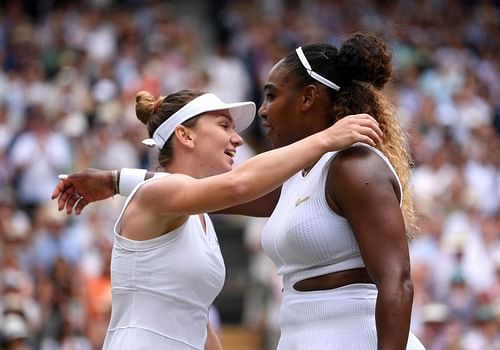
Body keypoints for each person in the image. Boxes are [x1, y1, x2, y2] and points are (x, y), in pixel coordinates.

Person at [53, 33, 425, 349]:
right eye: (224, 124)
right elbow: (232, 187)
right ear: (185, 135)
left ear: (309, 98)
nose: (248, 127)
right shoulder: (299, 174)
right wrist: (115, 180)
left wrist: (116, 180)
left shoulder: (353, 166)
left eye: (271, 96)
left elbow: (398, 280)